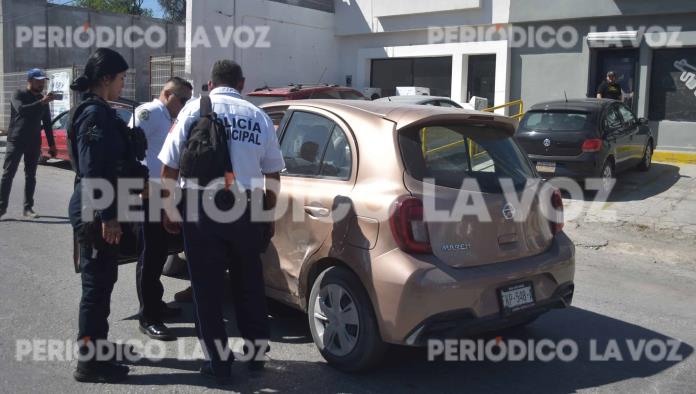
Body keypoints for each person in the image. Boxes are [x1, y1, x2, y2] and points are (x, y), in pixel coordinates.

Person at [158, 60, 284, 382]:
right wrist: (267, 215)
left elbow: (169, 167)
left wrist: (170, 209)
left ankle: (218, 362)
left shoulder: (192, 111)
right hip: (247, 208)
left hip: (201, 209)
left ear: (210, 84)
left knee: (206, 286)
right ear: (241, 83)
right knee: (249, 283)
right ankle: (256, 355)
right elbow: (272, 174)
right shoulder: (259, 116)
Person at [67, 48, 147, 383]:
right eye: (121, 78)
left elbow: (116, 163)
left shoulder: (102, 111)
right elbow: (93, 170)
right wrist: (109, 216)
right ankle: (89, 363)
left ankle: (97, 345)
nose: (123, 84)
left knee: (103, 282)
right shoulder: (93, 115)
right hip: (96, 211)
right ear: (105, 79)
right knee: (96, 287)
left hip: (104, 207)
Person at [130, 77, 192, 341]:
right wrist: (139, 184)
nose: (185, 104)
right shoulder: (149, 112)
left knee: (158, 254)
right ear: (168, 94)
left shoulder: (168, 116)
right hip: (149, 194)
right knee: (150, 254)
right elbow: (131, 148)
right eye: (183, 99)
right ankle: (148, 316)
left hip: (163, 194)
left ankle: (156, 304)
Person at [0, 68, 57, 219]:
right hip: (16, 140)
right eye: (38, 81)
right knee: (8, 174)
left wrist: (52, 145)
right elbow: (22, 110)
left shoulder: (43, 100)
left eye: (43, 81)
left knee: (30, 175)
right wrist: (42, 102)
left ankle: (28, 208)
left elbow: (47, 124)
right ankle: (1, 207)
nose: (41, 84)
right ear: (29, 81)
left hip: (34, 142)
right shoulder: (18, 94)